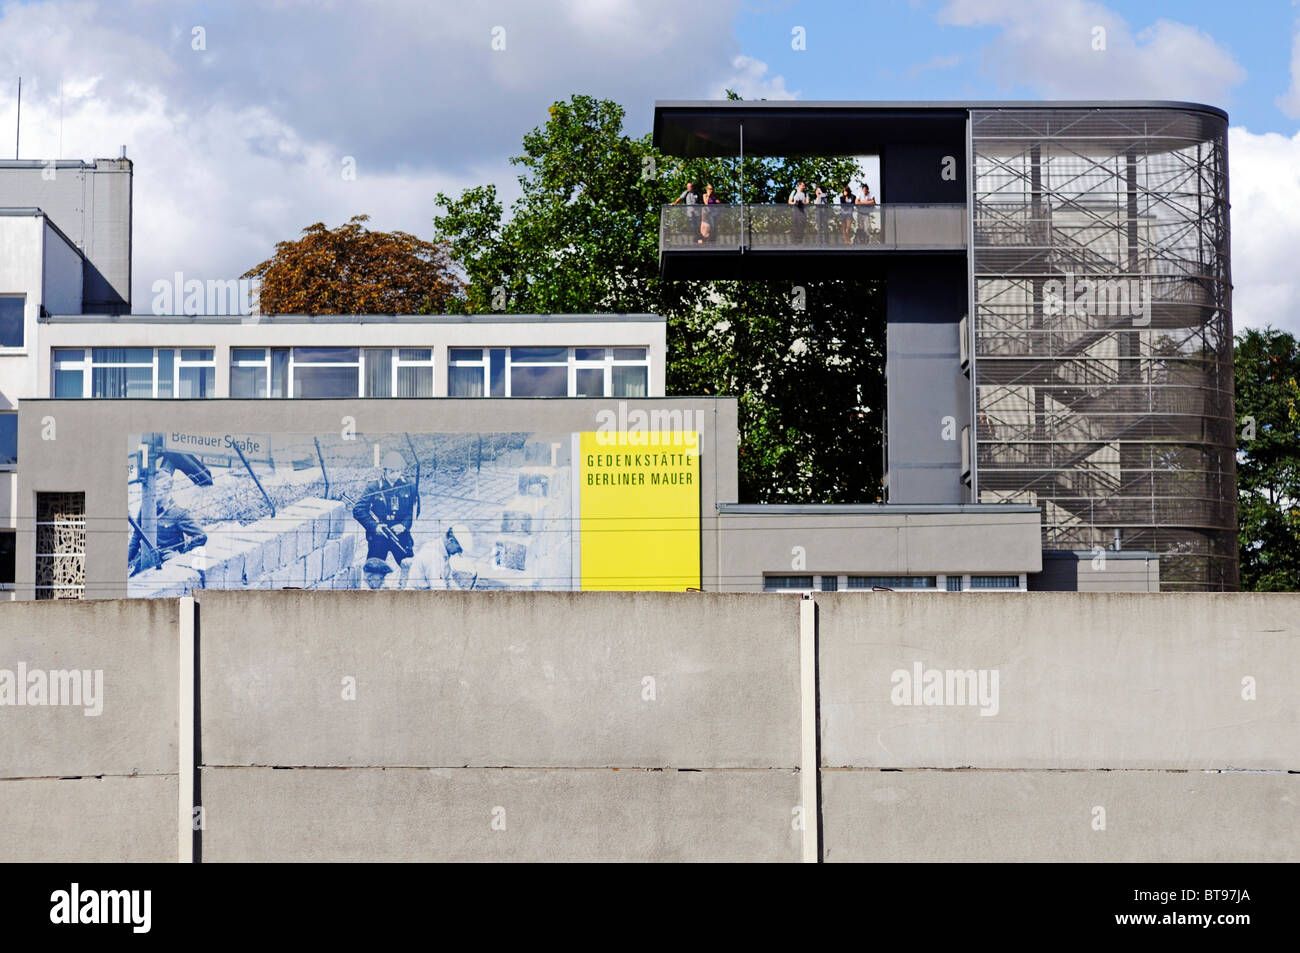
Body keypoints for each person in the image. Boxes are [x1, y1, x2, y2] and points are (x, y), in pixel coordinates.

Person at [127, 455, 208, 576]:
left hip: (167, 563)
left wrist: (181, 554)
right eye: (152, 495)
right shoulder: (145, 508)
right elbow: (136, 537)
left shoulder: (178, 514)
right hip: (145, 562)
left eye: (157, 496)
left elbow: (201, 536)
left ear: (167, 492)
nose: (153, 500)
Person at [352, 449, 419, 587]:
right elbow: (358, 510)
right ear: (385, 471)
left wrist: (404, 526)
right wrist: (374, 527)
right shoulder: (373, 487)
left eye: (398, 471)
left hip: (400, 536)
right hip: (379, 537)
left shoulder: (409, 486)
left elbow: (414, 510)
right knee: (374, 573)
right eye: (392, 471)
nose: (395, 475)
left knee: (412, 570)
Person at [787, 180, 808, 244]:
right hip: (795, 210)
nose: (804, 187)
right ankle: (794, 241)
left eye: (804, 186)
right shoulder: (794, 192)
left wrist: (802, 203)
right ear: (799, 185)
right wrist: (795, 203)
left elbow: (807, 202)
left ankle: (800, 241)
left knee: (801, 226)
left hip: (802, 211)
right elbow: (789, 201)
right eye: (803, 185)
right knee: (795, 225)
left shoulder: (805, 193)